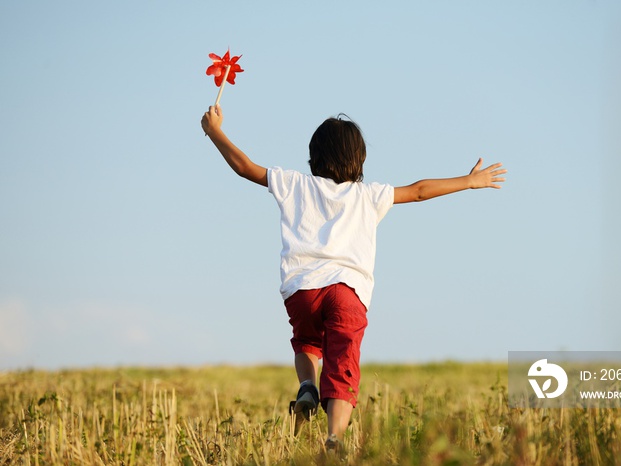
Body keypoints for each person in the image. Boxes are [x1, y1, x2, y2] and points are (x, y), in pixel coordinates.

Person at [201, 105, 506, 452]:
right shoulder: (369, 195)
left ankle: (307, 385)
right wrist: (469, 181)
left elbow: (244, 167)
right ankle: (334, 438)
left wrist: (214, 131)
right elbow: (420, 190)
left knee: (306, 342)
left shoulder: (294, 184)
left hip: (302, 290)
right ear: (359, 159)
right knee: (343, 361)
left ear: (314, 157)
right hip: (348, 291)